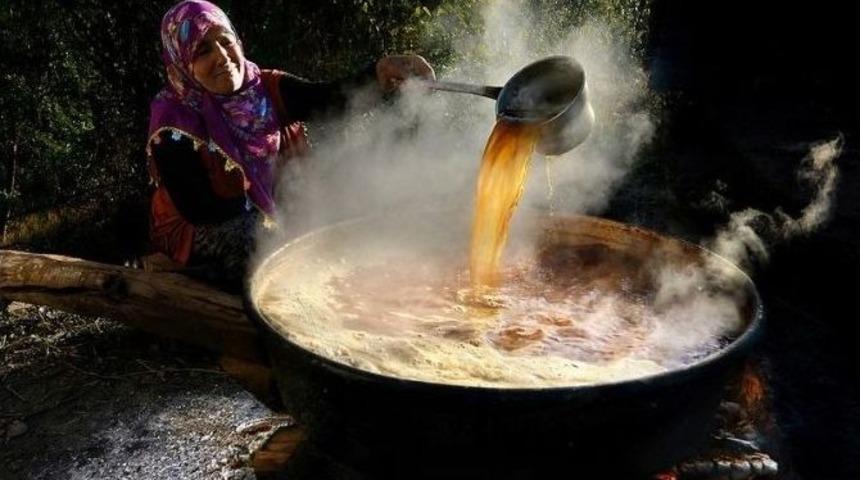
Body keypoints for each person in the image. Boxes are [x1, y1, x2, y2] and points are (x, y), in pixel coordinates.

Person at [146, 0, 434, 290]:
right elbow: (200, 209)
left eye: (225, 41)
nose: (222, 57)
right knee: (263, 246)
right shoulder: (173, 116)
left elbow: (326, 100)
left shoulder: (262, 87)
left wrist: (380, 73)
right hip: (196, 226)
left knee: (332, 213)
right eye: (203, 51)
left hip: (265, 214)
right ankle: (186, 273)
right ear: (182, 62)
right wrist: (288, 224)